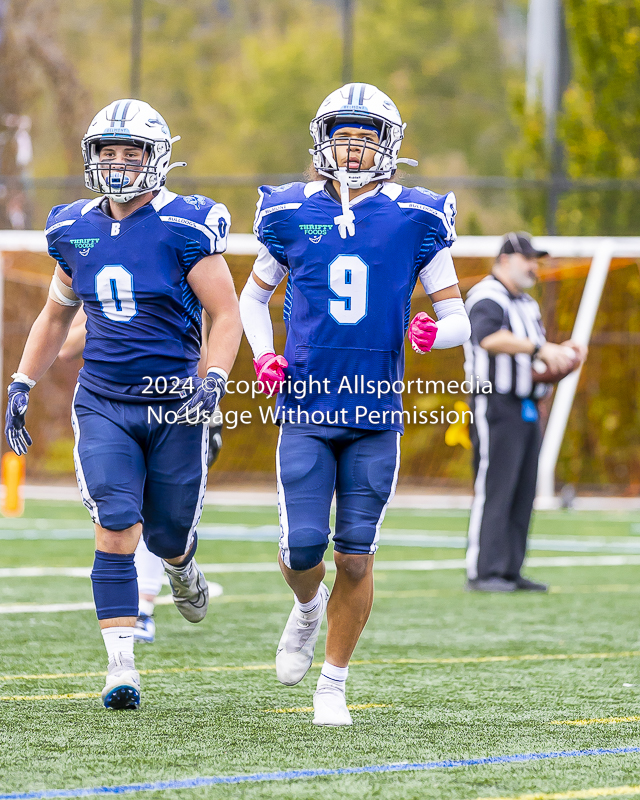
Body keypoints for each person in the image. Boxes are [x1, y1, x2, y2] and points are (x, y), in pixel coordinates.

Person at [239, 82, 470, 726]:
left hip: (375, 412)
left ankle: (333, 684)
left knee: (355, 555)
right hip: (307, 405)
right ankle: (307, 608)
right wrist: (263, 357)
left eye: (366, 139)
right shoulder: (289, 211)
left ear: (389, 147)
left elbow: (457, 316)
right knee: (303, 550)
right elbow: (252, 300)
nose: (354, 150)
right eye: (342, 138)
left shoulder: (416, 217)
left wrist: (430, 330)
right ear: (322, 143)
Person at [5, 99, 242, 709]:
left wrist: (213, 380)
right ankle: (120, 664)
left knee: (165, 535)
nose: (116, 163)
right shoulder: (73, 227)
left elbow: (226, 313)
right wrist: (22, 382)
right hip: (105, 401)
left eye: (129, 152)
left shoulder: (187, 224)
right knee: (115, 525)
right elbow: (58, 315)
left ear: (156, 158)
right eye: (107, 151)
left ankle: (183, 567)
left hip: (175, 406)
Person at [58, 309, 225, 645]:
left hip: (174, 406)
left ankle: (177, 570)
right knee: (123, 514)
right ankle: (141, 611)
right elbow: (64, 346)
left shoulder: (183, 262)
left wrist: (211, 398)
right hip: (116, 408)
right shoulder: (100, 275)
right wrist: (106, 315)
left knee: (164, 519)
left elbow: (203, 344)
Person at [463, 232, 587, 593]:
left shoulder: (527, 305)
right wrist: (540, 348)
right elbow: (487, 338)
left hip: (527, 404)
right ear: (505, 259)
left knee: (522, 489)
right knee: (495, 486)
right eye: (528, 258)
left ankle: (510, 569)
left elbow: (535, 357)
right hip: (495, 403)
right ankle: (483, 571)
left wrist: (559, 356)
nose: (535, 266)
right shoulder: (488, 295)